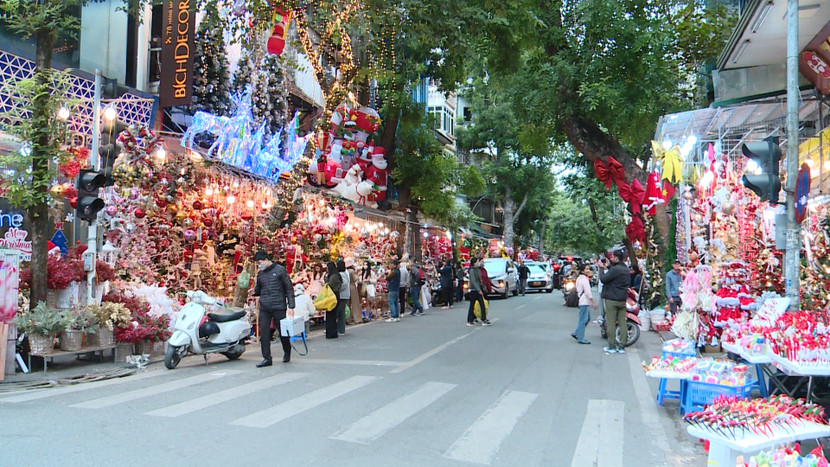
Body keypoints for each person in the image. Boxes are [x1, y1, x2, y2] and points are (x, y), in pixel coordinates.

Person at [251, 251, 295, 367]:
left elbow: (289, 288)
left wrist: (291, 306)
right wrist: (253, 292)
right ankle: (267, 358)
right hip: (264, 306)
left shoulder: (280, 270)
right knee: (264, 332)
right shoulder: (261, 274)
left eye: (260, 262)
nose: (259, 265)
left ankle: (287, 350)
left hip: (278, 305)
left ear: (266, 260)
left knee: (282, 331)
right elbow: (258, 289)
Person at [599, 250, 630, 354]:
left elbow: (604, 279)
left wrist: (601, 268)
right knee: (622, 322)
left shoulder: (615, 269)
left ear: (616, 258)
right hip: (622, 299)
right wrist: (609, 267)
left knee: (611, 323)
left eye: (612, 257)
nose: (611, 259)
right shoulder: (625, 269)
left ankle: (611, 346)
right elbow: (615, 275)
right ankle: (622, 346)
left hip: (612, 299)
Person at [571, 264, 595, 345]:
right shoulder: (584, 280)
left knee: (587, 318)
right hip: (584, 302)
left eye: (588, 269)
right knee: (583, 320)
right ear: (582, 271)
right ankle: (581, 338)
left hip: (582, 301)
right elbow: (588, 293)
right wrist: (593, 302)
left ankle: (577, 332)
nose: (588, 270)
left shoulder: (579, 278)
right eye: (586, 269)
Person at [466, 257, 491, 327]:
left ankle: (484, 319)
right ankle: (470, 320)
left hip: (479, 289)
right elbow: (474, 281)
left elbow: (480, 280)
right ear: (474, 263)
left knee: (482, 305)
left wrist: (482, 287)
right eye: (477, 262)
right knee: (472, 306)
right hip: (474, 290)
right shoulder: (472, 271)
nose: (479, 263)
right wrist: (479, 290)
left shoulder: (478, 270)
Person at [324, 261, 342, 339]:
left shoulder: (333, 276)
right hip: (335, 294)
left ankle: (330, 332)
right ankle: (333, 332)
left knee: (330, 314)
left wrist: (325, 278)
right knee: (333, 314)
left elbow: (329, 285)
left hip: (332, 295)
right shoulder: (337, 275)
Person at [336, 259, 350, 335]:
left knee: (340, 312)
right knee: (341, 312)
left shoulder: (341, 274)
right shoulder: (345, 272)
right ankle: (341, 329)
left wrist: (338, 289)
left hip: (342, 295)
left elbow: (344, 283)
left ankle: (340, 329)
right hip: (344, 294)